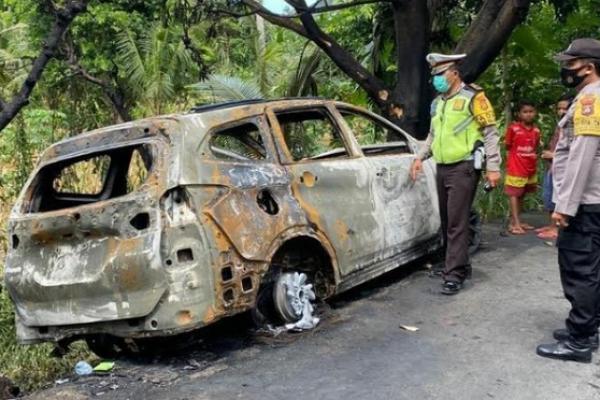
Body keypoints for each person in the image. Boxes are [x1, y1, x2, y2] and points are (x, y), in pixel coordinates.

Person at [410, 53, 502, 295]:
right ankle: (460, 264)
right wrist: (420, 157)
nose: (436, 80)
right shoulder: (438, 102)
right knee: (448, 220)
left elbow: (490, 133)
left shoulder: (474, 98)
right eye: (434, 76)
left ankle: (454, 274)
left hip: (464, 167)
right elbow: (432, 135)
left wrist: (493, 167)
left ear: (454, 72)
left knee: (456, 222)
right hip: (442, 167)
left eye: (440, 74)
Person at [536, 38, 600, 363]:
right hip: (594, 200)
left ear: (587, 67)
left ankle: (580, 340)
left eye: (571, 64)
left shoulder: (591, 99)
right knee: (593, 267)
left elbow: (581, 155)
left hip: (586, 202)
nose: (567, 69)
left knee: (579, 269)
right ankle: (589, 328)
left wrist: (565, 205)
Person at [504, 101, 542, 235]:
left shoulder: (536, 130)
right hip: (516, 167)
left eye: (531, 111)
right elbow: (508, 146)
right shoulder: (513, 129)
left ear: (535, 113)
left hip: (530, 167)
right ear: (519, 114)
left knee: (522, 194)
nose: (528, 114)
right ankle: (514, 224)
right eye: (525, 112)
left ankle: (516, 220)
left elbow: (535, 147)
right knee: (514, 194)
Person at [537, 95, 572, 240]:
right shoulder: (561, 124)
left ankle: (556, 228)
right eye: (559, 108)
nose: (562, 111)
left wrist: (554, 155)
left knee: (558, 197)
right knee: (549, 196)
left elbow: (574, 150)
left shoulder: (573, 125)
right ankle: (551, 225)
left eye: (566, 108)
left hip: (563, 168)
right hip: (552, 167)